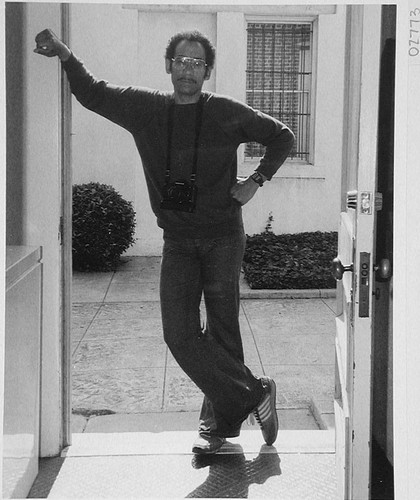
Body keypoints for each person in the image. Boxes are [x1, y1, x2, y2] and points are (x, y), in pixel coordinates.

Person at [34, 28, 295, 455]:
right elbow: (94, 93)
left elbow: (282, 135)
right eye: (180, 60)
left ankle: (220, 430)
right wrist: (65, 53)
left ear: (207, 71)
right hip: (178, 240)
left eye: (196, 63)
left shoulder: (226, 112)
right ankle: (255, 392)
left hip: (223, 237)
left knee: (223, 330)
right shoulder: (147, 109)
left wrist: (256, 180)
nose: (187, 69)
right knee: (179, 333)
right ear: (168, 65)